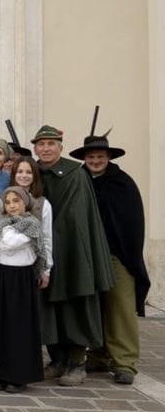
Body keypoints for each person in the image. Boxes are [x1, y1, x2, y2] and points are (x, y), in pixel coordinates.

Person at [32, 124, 114, 386]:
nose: (45, 149)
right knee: (48, 307)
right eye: (41, 144)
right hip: (43, 250)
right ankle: (57, 360)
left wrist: (48, 235)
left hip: (71, 251)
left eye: (50, 144)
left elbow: (76, 218)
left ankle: (77, 362)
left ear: (60, 147)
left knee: (74, 306)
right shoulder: (33, 172)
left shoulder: (74, 174)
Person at [71, 132, 149, 385]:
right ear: (85, 158)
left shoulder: (122, 183)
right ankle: (98, 355)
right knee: (94, 307)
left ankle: (125, 362)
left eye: (100, 156)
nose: (95, 160)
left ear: (108, 157)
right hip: (87, 256)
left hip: (117, 255)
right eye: (91, 156)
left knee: (119, 308)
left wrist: (127, 254)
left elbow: (131, 222)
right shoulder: (79, 180)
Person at [0, 186, 46, 393]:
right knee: (1, 325)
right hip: (0, 275)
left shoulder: (32, 223)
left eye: (16, 201)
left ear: (25, 202)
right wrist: (5, 232)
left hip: (21, 279)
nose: (12, 206)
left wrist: (5, 232)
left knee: (19, 327)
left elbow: (9, 244)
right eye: (8, 202)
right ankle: (0, 373)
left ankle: (18, 376)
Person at [10, 157, 53, 287]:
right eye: (20, 171)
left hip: (31, 265)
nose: (24, 175)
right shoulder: (4, 199)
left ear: (34, 176)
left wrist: (46, 270)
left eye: (28, 172)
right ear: (14, 174)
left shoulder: (43, 204)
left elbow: (46, 238)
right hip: (5, 265)